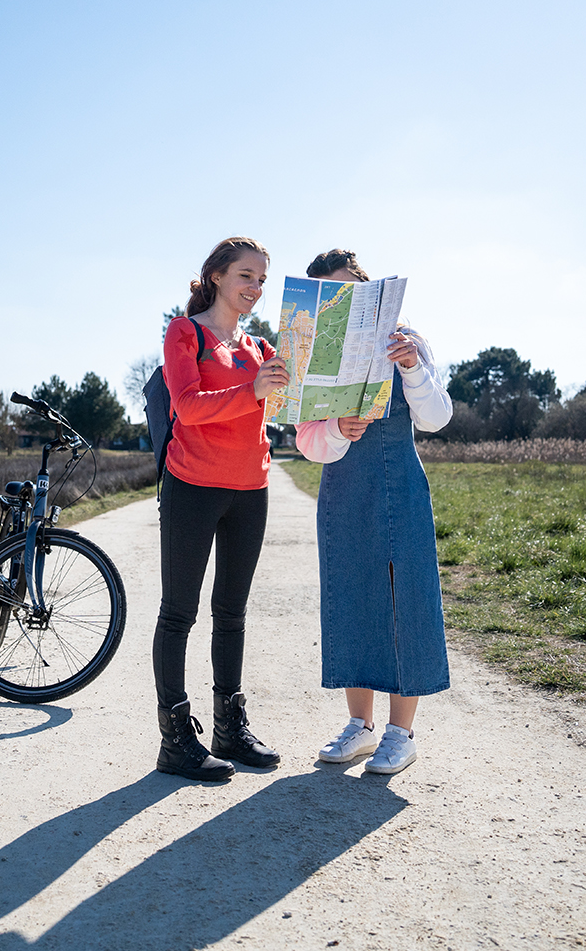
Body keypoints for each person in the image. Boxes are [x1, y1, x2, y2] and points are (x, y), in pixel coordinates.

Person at [295, 248, 453, 774]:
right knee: (351, 597)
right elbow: (307, 444)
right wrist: (337, 430)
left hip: (401, 482)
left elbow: (436, 418)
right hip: (343, 488)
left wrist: (410, 367)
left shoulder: (409, 340)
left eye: (349, 293)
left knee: (404, 599)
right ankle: (360, 727)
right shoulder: (310, 351)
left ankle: (400, 733)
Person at [154, 236, 291, 781]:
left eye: (261, 278)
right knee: (179, 614)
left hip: (250, 489)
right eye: (245, 276)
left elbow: (288, 404)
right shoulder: (185, 332)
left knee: (232, 614)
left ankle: (229, 730)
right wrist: (253, 389)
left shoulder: (260, 348)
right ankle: (175, 740)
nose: (255, 287)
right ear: (216, 277)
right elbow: (186, 408)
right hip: (192, 486)